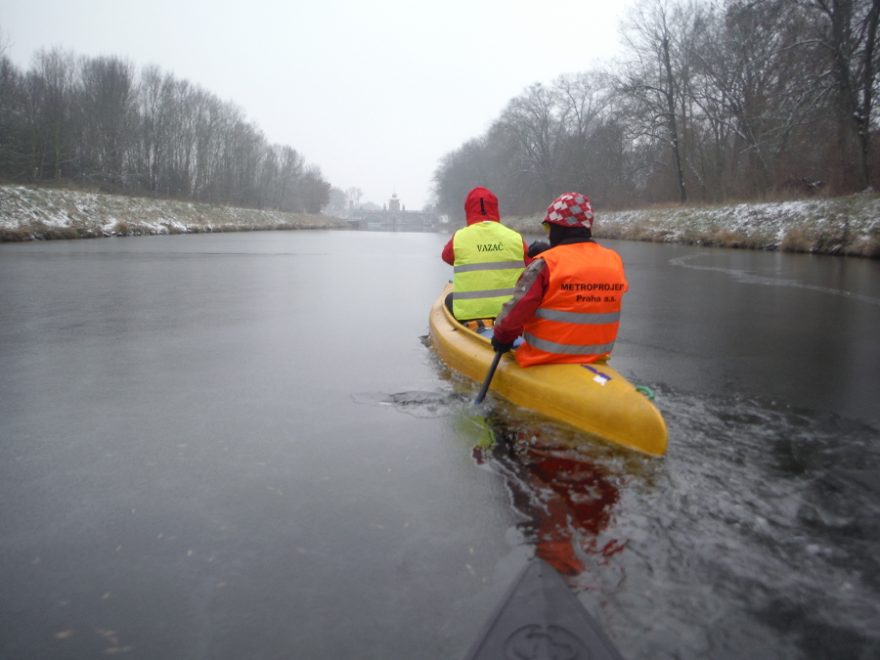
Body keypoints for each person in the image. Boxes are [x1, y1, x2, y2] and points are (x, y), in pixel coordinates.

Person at [491, 192, 628, 367]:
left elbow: (517, 310)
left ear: (560, 228)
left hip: (545, 361)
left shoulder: (545, 264)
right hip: (596, 360)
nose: (548, 235)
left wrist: (502, 337)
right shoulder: (613, 260)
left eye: (549, 228)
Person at [441, 186, 531, 321]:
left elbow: (446, 257)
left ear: (468, 210)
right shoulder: (515, 237)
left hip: (469, 314)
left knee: (448, 299)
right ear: (495, 208)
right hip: (509, 313)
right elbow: (530, 264)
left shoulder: (459, 237)